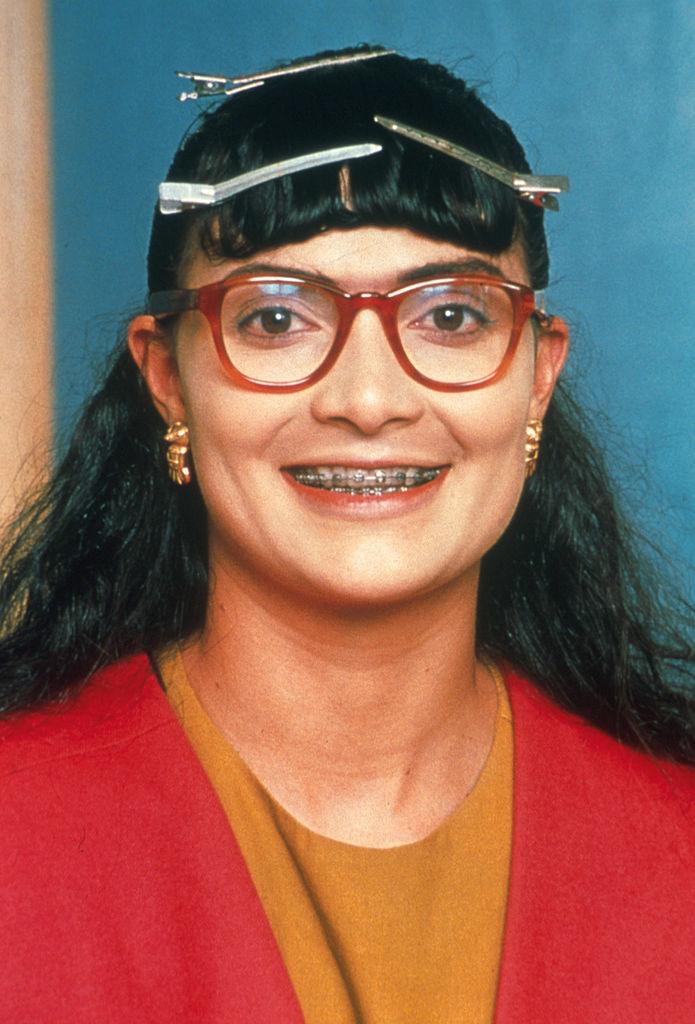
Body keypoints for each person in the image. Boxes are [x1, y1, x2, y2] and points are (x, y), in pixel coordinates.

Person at [0, 46, 693, 1024]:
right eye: (277, 319)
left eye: (449, 313)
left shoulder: (677, 848)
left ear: (537, 377)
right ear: (166, 382)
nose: (367, 400)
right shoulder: (17, 829)